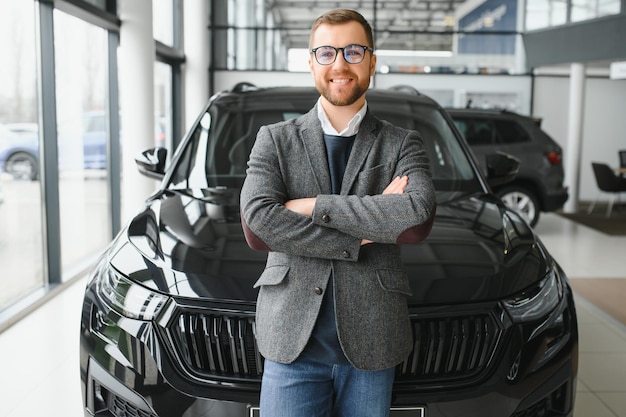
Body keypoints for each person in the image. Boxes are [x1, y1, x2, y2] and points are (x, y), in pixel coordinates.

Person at [240, 8, 436, 417]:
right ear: (311, 62)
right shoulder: (274, 140)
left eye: (353, 51)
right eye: (326, 53)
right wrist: (371, 225)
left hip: (373, 343)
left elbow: (416, 216)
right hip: (291, 343)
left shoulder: (402, 143)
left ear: (372, 61)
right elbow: (258, 224)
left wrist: (312, 206)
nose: (340, 64)